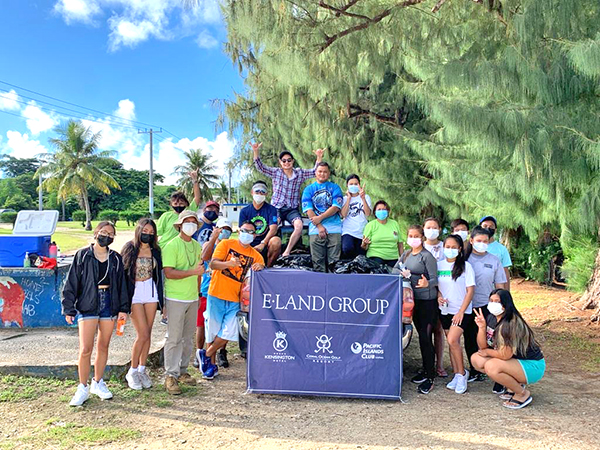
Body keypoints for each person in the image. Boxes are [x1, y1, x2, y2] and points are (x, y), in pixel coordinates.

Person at [62, 221, 129, 406]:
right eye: (103, 232)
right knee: (85, 348)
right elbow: (72, 282)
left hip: (109, 302)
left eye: (111, 234)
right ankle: (82, 387)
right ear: (96, 232)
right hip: (88, 303)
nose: (106, 236)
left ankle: (98, 382)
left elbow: (122, 285)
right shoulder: (83, 255)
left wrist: (123, 309)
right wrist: (69, 308)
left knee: (103, 345)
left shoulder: (115, 258)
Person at [197, 221, 265, 380]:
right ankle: (211, 366)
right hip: (216, 293)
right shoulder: (226, 244)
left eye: (251, 232)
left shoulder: (256, 255)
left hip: (235, 299)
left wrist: (260, 267)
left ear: (255, 235)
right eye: (244, 230)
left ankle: (206, 354)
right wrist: (230, 263)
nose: (247, 234)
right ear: (239, 231)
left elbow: (261, 266)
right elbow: (213, 264)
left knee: (230, 331)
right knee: (213, 330)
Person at [471, 289, 545, 409]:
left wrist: (487, 352)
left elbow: (505, 355)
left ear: (505, 304)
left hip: (531, 365)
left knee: (492, 366)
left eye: (497, 301)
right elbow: (483, 347)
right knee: (477, 359)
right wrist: (482, 327)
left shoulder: (510, 323)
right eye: (491, 300)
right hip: (515, 361)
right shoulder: (492, 318)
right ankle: (513, 386)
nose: (493, 304)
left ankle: (522, 393)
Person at [253, 142, 325, 256]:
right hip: (277, 208)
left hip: (292, 209)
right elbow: (261, 167)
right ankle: (265, 249)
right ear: (280, 162)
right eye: (284, 160)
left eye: (289, 160)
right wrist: (256, 151)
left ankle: (287, 251)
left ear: (293, 161)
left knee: (299, 225)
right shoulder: (276, 172)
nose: (286, 162)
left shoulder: (299, 173)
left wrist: (319, 157)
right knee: (273, 225)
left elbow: (314, 172)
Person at [162, 210, 205, 395]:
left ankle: (182, 370)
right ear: (179, 225)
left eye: (194, 222)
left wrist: (198, 292)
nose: (191, 225)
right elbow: (169, 273)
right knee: (174, 338)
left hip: (192, 297)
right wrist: (193, 273)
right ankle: (170, 375)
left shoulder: (196, 246)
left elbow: (199, 271)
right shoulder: (172, 246)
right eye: (187, 222)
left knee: (188, 338)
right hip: (175, 298)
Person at [393, 225, 438, 394]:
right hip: (411, 301)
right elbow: (394, 269)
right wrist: (402, 273)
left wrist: (427, 283)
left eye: (416, 236)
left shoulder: (427, 256)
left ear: (422, 238)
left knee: (426, 337)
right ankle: (425, 370)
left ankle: (430, 377)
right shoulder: (406, 254)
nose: (413, 239)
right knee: (420, 336)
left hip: (427, 301)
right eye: (410, 235)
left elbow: (435, 279)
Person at [121, 218, 163, 390]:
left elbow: (159, 275)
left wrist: (163, 301)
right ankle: (132, 371)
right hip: (135, 292)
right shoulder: (130, 248)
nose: (148, 235)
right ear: (139, 230)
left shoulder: (155, 250)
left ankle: (142, 369)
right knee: (142, 333)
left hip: (150, 291)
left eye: (151, 232)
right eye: (145, 231)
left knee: (148, 333)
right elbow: (122, 274)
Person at [464, 226, 508, 384]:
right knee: (470, 337)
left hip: (487, 306)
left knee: (491, 339)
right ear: (471, 240)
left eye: (485, 241)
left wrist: (501, 305)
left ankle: (497, 372)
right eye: (478, 240)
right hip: (468, 305)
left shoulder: (494, 260)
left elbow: (500, 285)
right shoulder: (464, 259)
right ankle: (475, 370)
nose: (482, 244)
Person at [437, 234, 475, 394]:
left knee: (453, 340)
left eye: (454, 247)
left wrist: (461, 312)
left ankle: (462, 375)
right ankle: (456, 373)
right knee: (453, 343)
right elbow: (437, 287)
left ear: (460, 249)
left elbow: (470, 290)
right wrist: (439, 297)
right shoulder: (439, 265)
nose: (450, 250)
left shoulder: (466, 267)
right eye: (447, 247)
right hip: (445, 310)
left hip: (462, 312)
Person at [194, 217, 233, 369]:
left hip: (223, 291)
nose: (224, 232)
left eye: (228, 230)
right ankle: (199, 352)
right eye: (222, 229)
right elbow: (204, 257)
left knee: (222, 326)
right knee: (201, 325)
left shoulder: (231, 248)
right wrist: (213, 238)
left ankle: (221, 352)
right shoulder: (208, 245)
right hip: (206, 290)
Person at [301, 162, 344, 272]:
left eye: (325, 172)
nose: (322, 174)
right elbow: (308, 210)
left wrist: (320, 218)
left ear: (329, 173)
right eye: (320, 171)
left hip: (334, 228)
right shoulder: (308, 189)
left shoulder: (335, 188)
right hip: (315, 229)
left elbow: (336, 207)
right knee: (317, 263)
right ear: (315, 172)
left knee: (334, 263)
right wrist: (319, 226)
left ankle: (333, 282)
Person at [423, 217, 447, 377]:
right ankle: (427, 365)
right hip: (424, 293)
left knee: (438, 329)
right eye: (428, 227)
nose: (431, 230)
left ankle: (439, 364)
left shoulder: (446, 247)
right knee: (425, 330)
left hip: (442, 292)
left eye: (434, 227)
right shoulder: (419, 246)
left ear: (439, 229)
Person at [238, 181, 281, 267]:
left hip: (265, 242)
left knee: (276, 241)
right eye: (257, 191)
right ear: (252, 192)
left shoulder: (271, 209)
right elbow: (241, 230)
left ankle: (268, 268)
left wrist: (263, 243)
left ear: (266, 194)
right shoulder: (244, 211)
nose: (259, 194)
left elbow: (273, 229)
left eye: (263, 192)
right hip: (249, 242)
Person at [156, 171, 202, 249]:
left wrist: (195, 180)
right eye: (175, 204)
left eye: (181, 203)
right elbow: (157, 233)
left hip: (183, 248)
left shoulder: (189, 213)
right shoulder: (166, 216)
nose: (178, 206)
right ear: (171, 204)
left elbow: (197, 197)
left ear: (186, 204)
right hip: (165, 247)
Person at [361, 200, 402, 267]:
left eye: (384, 209)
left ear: (388, 211)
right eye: (379, 209)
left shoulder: (395, 224)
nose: (381, 211)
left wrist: (402, 259)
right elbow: (364, 247)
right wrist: (365, 243)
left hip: (393, 257)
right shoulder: (370, 225)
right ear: (375, 212)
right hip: (375, 256)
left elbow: (400, 243)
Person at [340, 174, 372, 260]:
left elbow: (368, 214)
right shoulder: (344, 199)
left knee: (360, 256)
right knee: (347, 249)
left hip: (361, 231)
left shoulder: (366, 197)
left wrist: (363, 198)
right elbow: (343, 215)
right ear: (347, 185)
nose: (353, 186)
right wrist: (349, 199)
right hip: (348, 231)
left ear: (359, 185)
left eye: (356, 184)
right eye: (351, 184)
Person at [480, 216, 512, 290]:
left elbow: (505, 272)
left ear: (495, 230)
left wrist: (506, 292)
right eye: (485, 226)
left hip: (495, 291)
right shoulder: (474, 247)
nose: (488, 228)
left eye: (491, 226)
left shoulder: (502, 249)